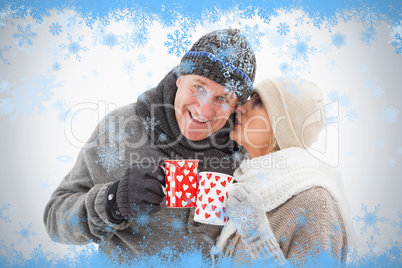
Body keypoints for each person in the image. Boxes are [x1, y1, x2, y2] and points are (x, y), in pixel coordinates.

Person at [43, 29, 256, 263]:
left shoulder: (243, 149)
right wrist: (112, 202)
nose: (204, 109)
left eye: (222, 98)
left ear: (235, 106)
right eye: (199, 87)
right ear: (180, 77)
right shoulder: (120, 129)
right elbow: (55, 221)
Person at [212, 77, 356, 266]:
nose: (240, 107)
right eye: (250, 98)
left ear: (282, 127)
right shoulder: (241, 182)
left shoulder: (314, 205)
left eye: (258, 103)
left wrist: (259, 241)